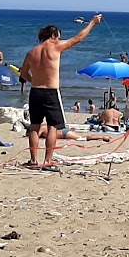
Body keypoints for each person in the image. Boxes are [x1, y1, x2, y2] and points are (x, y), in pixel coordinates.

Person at [18, 16, 103, 167]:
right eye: (58, 36)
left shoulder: (31, 53)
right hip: (51, 92)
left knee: (34, 126)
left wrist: (34, 80)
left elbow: (23, 74)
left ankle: (33, 160)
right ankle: (47, 160)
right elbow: (79, 38)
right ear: (53, 36)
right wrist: (93, 23)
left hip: (35, 92)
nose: (59, 39)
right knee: (52, 127)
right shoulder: (56, 46)